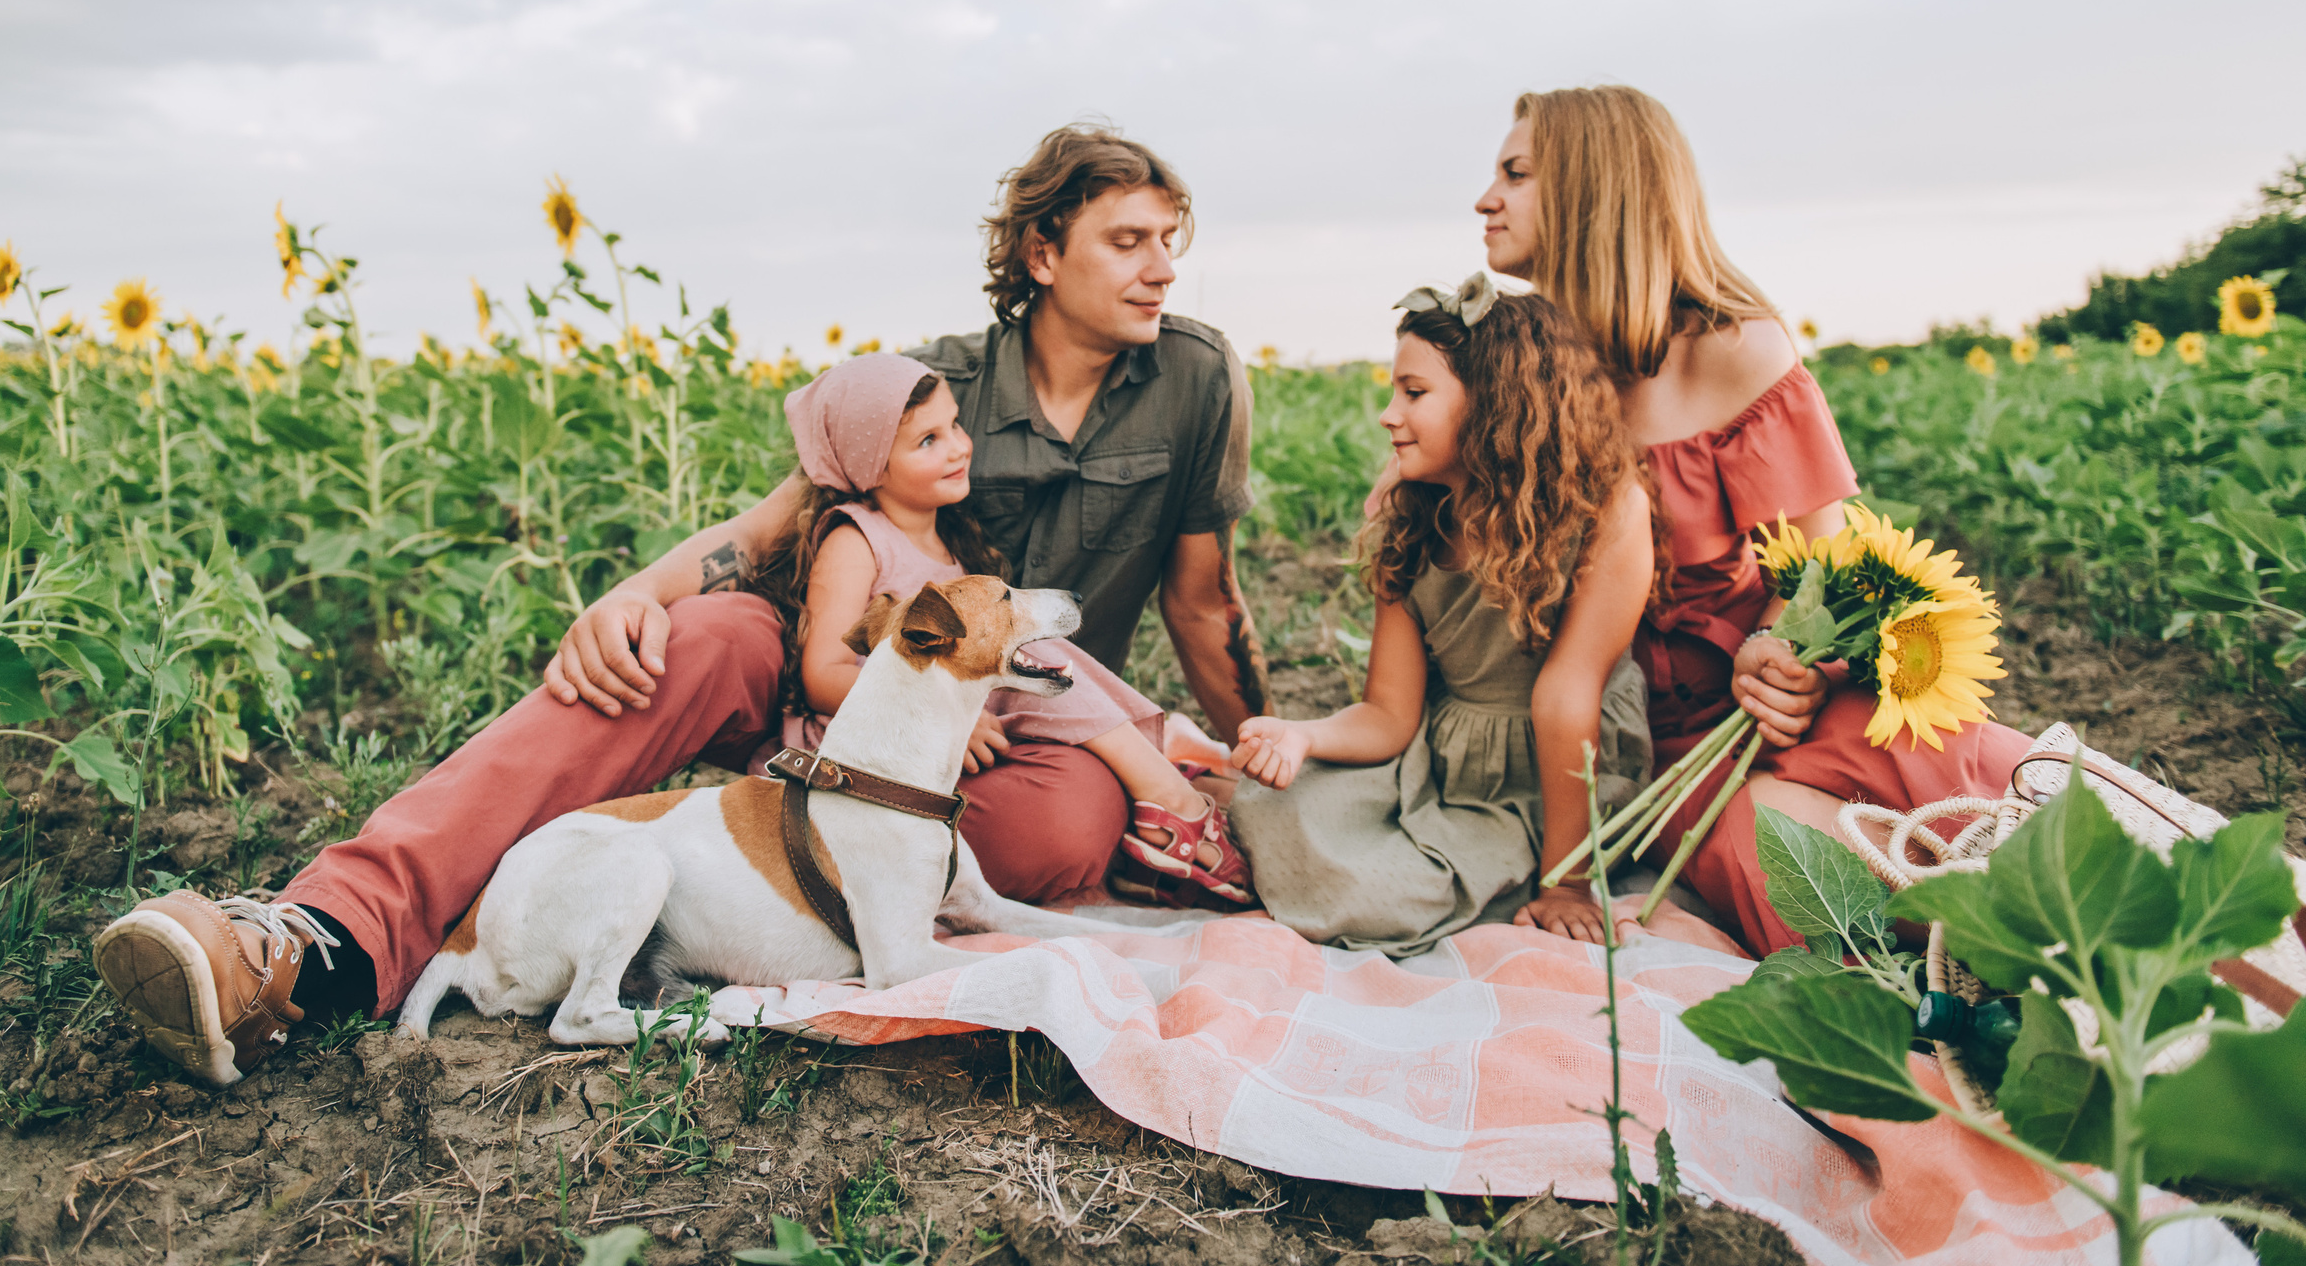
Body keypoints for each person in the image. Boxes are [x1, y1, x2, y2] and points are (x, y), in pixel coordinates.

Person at [95, 124, 1269, 1087]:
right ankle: (318, 941)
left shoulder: (1196, 375)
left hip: (999, 731)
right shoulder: (931, 383)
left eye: (1171, 239)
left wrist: (1251, 765)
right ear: (1043, 249)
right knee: (692, 639)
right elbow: (763, 534)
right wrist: (630, 594)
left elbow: (1204, 602)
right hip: (813, 675)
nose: (1163, 265)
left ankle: (732, 899)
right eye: (1129, 240)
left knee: (1059, 832)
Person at [1473, 85, 2033, 956]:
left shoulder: (1732, 349)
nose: (1486, 198)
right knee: (1808, 855)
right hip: (1658, 745)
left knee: (1987, 794)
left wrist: (1780, 650)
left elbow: (1830, 563)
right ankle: (2032, 988)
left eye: (1515, 174)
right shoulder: (1515, 381)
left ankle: (2227, 937)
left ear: (1596, 189)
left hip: (1785, 699)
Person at [1221, 277, 1663, 952]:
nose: (1387, 414)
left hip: (1565, 773)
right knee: (1266, 808)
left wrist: (1569, 882)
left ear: (1496, 402)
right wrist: (1303, 734)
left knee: (1368, 887)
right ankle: (1442, 870)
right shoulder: (1413, 517)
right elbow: (1389, 714)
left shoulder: (1608, 511)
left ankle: (1507, 872)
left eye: (1414, 392)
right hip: (1445, 754)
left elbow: (1566, 697)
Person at [761, 351, 1250, 902]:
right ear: (867, 465)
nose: (959, 446)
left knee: (1031, 654)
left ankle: (1155, 784)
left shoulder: (946, 537)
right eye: (929, 441)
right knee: (1034, 655)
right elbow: (822, 672)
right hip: (881, 741)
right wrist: (940, 710)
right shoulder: (855, 541)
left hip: (955, 729)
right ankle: (1168, 797)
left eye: (954, 425)